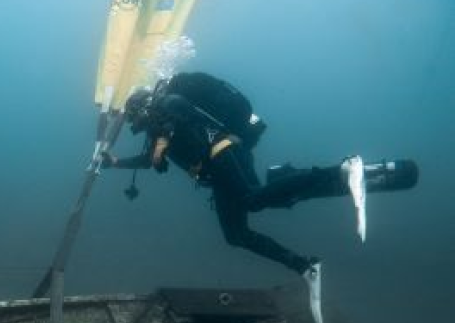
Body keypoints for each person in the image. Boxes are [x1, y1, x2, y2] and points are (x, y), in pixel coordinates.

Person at [106, 72, 369, 284]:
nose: (136, 124)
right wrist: (116, 163)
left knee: (251, 199)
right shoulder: (155, 132)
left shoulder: (169, 102)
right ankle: (304, 266)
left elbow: (183, 117)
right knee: (235, 235)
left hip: (222, 152)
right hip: (214, 172)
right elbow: (147, 160)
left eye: (134, 117)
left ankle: (340, 170)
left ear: (142, 106)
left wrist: (164, 136)